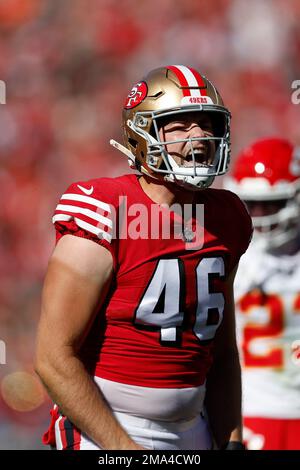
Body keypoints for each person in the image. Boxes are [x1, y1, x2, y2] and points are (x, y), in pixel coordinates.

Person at [35, 65, 252, 450]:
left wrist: (231, 437)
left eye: (207, 124)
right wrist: (125, 449)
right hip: (107, 425)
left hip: (192, 426)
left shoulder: (228, 217)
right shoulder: (105, 209)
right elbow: (54, 357)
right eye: (180, 126)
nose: (199, 137)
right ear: (142, 133)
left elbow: (220, 350)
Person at [224, 137, 300, 450]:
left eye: (272, 203)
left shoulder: (230, 258)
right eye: (250, 204)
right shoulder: (231, 259)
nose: (260, 214)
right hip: (251, 411)